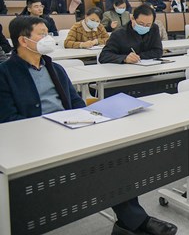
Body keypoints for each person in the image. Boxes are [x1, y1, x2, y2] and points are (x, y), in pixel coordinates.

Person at [0, 16, 178, 235]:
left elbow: (75, 102)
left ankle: (132, 221)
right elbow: (8, 120)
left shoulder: (54, 68)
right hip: (32, 141)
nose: (48, 38)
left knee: (114, 155)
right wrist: (49, 128)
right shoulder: (5, 74)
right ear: (23, 40)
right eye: (42, 34)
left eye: (47, 33)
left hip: (69, 129)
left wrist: (88, 117)